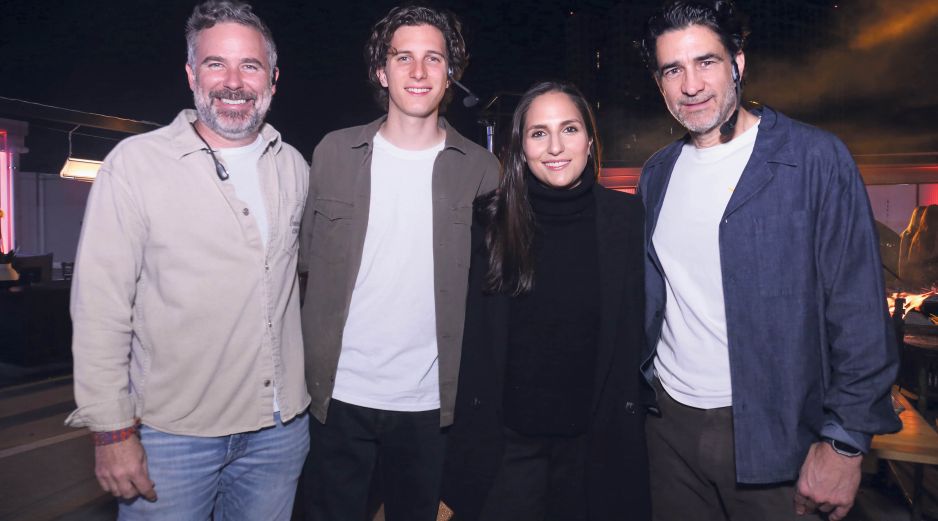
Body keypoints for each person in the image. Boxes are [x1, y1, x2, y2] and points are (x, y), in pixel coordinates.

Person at [638, 2, 900, 520]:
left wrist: (846, 443)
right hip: (666, 430)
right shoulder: (657, 174)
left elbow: (859, 317)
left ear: (738, 61)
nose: (691, 85)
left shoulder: (814, 161)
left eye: (706, 62)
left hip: (777, 436)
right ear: (660, 82)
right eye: (674, 69)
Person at [65, 1, 310, 518]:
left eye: (250, 65)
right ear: (190, 73)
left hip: (280, 434)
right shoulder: (135, 165)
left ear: (273, 78)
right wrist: (111, 432)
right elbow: (101, 308)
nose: (233, 81)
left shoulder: (293, 166)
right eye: (215, 63)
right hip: (172, 438)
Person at [296, 5, 499, 521]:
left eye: (434, 58)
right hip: (336, 397)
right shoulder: (334, 153)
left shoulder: (481, 169)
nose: (418, 71)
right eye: (403, 57)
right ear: (381, 72)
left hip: (429, 405)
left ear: (450, 74)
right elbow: (303, 270)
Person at [440, 81, 652, 521]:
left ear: (590, 140)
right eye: (539, 133)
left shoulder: (626, 219)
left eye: (569, 129)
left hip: (595, 449)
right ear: (521, 147)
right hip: (509, 450)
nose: (555, 146)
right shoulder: (488, 220)